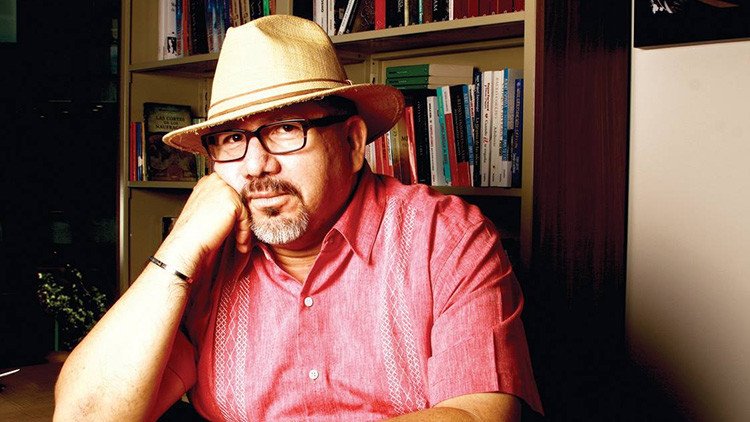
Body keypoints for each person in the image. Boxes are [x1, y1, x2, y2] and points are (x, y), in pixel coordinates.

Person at [54, 15, 543, 421]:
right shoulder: (208, 258)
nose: (255, 165)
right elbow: (84, 416)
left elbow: (481, 413)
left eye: (286, 128)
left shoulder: (448, 237)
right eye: (231, 139)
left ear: (352, 141)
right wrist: (178, 250)